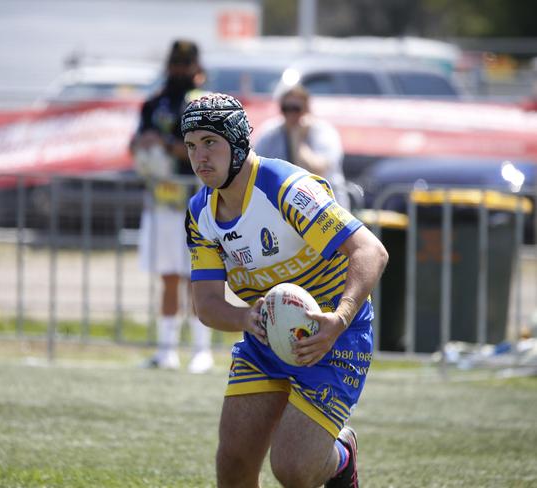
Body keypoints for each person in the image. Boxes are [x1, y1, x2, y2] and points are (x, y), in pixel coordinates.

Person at [182, 93, 388, 487]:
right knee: (234, 464)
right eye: (192, 146)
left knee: (292, 468)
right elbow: (207, 304)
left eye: (211, 142)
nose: (199, 157)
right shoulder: (200, 212)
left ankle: (342, 459)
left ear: (239, 143)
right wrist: (247, 317)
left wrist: (339, 318)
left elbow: (370, 250)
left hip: (333, 336)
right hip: (266, 336)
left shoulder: (285, 189)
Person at [130, 39, 214, 373]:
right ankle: (166, 350)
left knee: (198, 276)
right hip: (162, 201)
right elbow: (134, 143)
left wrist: (165, 143)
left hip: (196, 202)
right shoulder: (153, 103)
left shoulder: (202, 104)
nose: (179, 70)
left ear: (196, 67)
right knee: (168, 276)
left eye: (186, 64)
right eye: (176, 64)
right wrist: (144, 143)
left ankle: (200, 350)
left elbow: (202, 149)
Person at [255, 84, 350, 209]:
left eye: (295, 108)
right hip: (284, 207)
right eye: (286, 108)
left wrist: (297, 140)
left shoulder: (324, 132)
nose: (290, 114)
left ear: (307, 109)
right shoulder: (270, 132)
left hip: (326, 205)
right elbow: (254, 166)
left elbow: (318, 170)